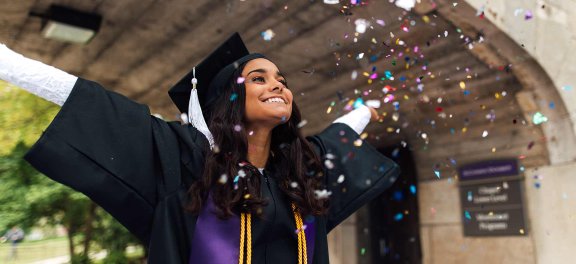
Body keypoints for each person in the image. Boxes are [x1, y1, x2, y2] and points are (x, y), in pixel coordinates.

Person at [0, 33, 400, 263]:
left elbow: (337, 136)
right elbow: (101, 106)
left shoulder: (298, 172)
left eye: (281, 78)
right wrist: (10, 64)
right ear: (228, 98)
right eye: (259, 78)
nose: (278, 85)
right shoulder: (189, 162)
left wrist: (369, 109)